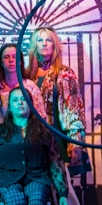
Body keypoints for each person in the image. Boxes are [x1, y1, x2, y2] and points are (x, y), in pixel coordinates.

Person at [25, 28, 84, 164]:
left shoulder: (65, 73)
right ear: (34, 45)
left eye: (48, 40)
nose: (44, 43)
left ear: (55, 45)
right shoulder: (26, 75)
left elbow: (75, 110)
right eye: (40, 40)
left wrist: (76, 143)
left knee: (59, 181)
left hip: (58, 136)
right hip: (31, 137)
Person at [0, 43, 43, 131]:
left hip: (29, 137)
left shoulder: (30, 86)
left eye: (14, 57)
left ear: (20, 62)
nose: (11, 60)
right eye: (6, 57)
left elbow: (41, 116)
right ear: (1, 62)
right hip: (3, 138)